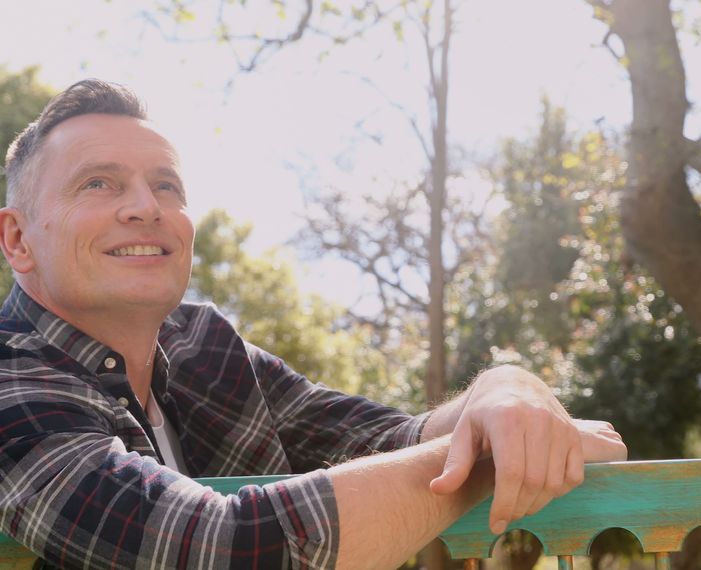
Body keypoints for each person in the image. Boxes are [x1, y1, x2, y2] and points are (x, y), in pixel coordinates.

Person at [0, 79, 626, 569]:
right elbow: (223, 551)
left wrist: (506, 391)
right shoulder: (10, 384)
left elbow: (389, 442)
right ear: (18, 238)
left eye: (166, 185)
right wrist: (484, 461)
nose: (145, 207)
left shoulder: (205, 346)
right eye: (98, 183)